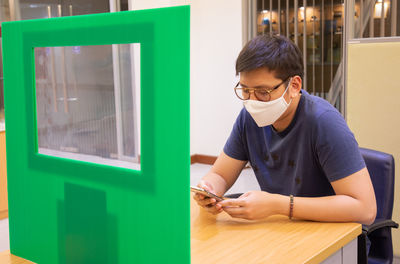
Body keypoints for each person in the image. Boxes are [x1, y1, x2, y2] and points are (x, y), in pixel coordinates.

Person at [193, 35, 377, 225]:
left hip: (333, 234)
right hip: (284, 226)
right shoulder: (248, 120)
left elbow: (365, 209)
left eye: (263, 92)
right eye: (246, 91)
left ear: (294, 86)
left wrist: (278, 205)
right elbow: (220, 175)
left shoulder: (324, 122)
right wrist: (210, 190)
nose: (252, 102)